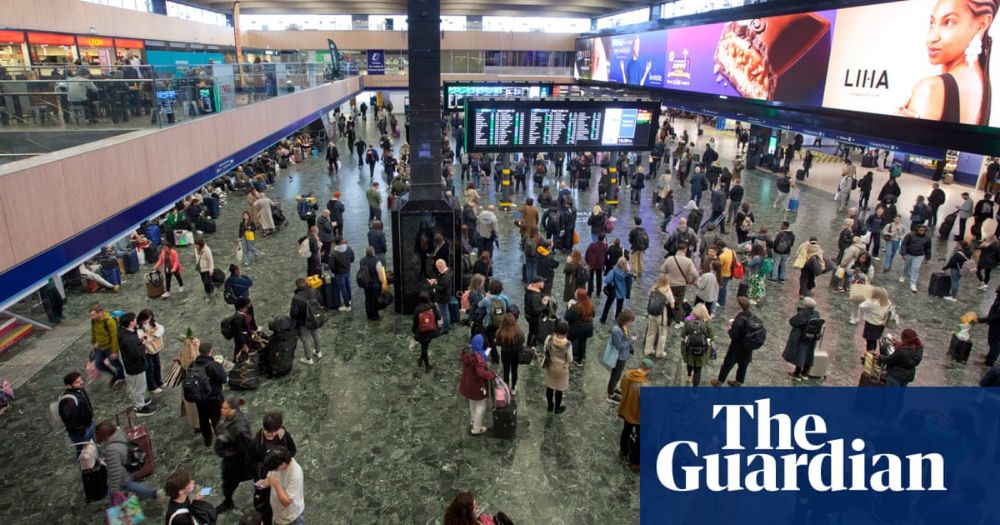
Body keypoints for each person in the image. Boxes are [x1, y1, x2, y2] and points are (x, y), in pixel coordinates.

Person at [898, 0, 997, 125]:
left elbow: (905, 145)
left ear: (981, 25)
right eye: (932, 23)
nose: (932, 38)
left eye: (948, 22)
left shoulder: (931, 89)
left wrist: (893, 133)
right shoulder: (980, 81)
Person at [95, 420, 163, 503]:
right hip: (127, 468)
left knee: (119, 496)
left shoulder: (111, 450)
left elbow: (115, 471)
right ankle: (153, 493)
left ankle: (124, 513)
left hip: (121, 474)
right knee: (130, 485)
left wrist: (113, 490)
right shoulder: (119, 434)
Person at [214, 396, 253, 514]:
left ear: (233, 409)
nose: (222, 410)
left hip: (236, 463)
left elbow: (246, 449)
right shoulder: (227, 417)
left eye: (225, 408)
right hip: (230, 459)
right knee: (227, 483)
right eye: (222, 407)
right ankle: (228, 501)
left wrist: (229, 454)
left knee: (229, 483)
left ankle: (228, 503)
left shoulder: (240, 429)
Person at [117, 312, 156, 416]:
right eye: (134, 319)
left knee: (137, 386)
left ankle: (141, 401)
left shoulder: (122, 332)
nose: (136, 321)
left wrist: (139, 342)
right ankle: (140, 408)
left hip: (129, 365)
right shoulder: (129, 339)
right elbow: (136, 354)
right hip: (135, 367)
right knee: (139, 387)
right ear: (131, 323)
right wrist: (143, 344)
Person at [712, 297, 757, 387]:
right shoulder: (752, 316)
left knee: (727, 364)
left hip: (736, 347)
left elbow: (734, 335)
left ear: (740, 306)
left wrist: (730, 329)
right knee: (743, 365)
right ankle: (739, 382)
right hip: (748, 347)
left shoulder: (739, 319)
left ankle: (719, 381)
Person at [617, 358, 651, 472]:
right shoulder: (644, 384)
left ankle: (623, 450)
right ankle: (636, 462)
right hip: (637, 415)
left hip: (626, 409)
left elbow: (622, 388)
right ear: (647, 370)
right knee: (640, 438)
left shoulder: (627, 375)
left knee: (626, 430)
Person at [459, 334, 496, 435]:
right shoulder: (478, 359)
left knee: (472, 403)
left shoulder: (467, 354)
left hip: (468, 384)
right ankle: (476, 428)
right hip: (477, 386)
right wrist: (493, 375)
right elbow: (481, 373)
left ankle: (473, 420)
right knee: (480, 406)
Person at [258, 447, 304, 525]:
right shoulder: (275, 463)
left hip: (291, 518)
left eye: (275, 469)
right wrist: (263, 483)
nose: (274, 471)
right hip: (277, 514)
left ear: (283, 464)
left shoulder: (295, 475)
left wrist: (277, 485)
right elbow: (270, 479)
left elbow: (286, 502)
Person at [782, 298, 822, 380]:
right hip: (812, 338)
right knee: (809, 354)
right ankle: (805, 373)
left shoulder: (803, 314)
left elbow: (792, 322)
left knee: (800, 355)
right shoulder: (816, 314)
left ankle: (797, 374)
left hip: (801, 337)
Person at [58, 372, 95, 456]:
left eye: (80, 380)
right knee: (83, 453)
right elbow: (70, 420)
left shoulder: (80, 389)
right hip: (81, 432)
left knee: (93, 447)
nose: (81, 382)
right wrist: (82, 430)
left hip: (89, 424)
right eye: (77, 382)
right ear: (69, 386)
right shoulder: (68, 401)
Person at [606, 309, 636, 404]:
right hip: (618, 357)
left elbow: (625, 339)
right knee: (615, 375)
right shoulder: (616, 330)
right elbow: (619, 346)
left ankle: (613, 388)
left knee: (617, 375)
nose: (631, 324)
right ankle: (611, 394)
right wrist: (630, 341)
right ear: (625, 320)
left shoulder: (624, 327)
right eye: (630, 321)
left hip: (623, 356)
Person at [290, 278, 322, 366]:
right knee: (316, 335)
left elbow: (293, 313)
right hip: (315, 319)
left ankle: (309, 358)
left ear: (297, 286)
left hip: (303, 322)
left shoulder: (296, 298)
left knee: (306, 339)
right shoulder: (314, 291)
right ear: (306, 283)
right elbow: (320, 301)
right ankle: (318, 352)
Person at [542, 321, 572, 414]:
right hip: (561, 370)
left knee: (550, 387)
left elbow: (544, 349)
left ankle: (550, 405)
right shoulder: (568, 344)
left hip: (550, 366)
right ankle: (557, 408)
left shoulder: (549, 339)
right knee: (559, 390)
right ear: (566, 333)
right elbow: (570, 359)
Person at [681, 303, 714, 387]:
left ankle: (689, 376)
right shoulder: (707, 322)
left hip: (690, 349)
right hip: (702, 351)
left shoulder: (688, 320)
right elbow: (712, 337)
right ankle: (695, 392)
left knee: (690, 362)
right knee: (698, 370)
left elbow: (683, 334)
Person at [853, 287, 895, 352]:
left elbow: (861, 306)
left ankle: (870, 355)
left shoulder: (872, 302)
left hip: (871, 325)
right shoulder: (888, 302)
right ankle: (873, 352)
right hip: (881, 324)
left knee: (869, 341)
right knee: (874, 340)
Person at [644, 274, 676, 358]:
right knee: (662, 334)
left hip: (651, 313)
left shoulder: (653, 288)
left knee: (650, 332)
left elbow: (649, 298)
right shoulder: (667, 290)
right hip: (661, 316)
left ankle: (648, 350)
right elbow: (672, 305)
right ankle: (659, 353)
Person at [494, 313, 525, 395]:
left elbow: (498, 343)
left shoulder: (500, 332)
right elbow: (522, 341)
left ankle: (506, 387)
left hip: (505, 355)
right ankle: (513, 388)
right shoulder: (519, 331)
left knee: (506, 371)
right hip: (516, 355)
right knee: (514, 371)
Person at [136, 309, 164, 394]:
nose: (148, 320)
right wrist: (148, 338)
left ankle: (159, 382)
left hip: (154, 348)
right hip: (146, 351)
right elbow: (141, 339)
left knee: (157, 365)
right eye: (147, 318)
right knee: (150, 369)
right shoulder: (138, 327)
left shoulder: (152, 323)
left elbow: (161, 328)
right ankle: (152, 386)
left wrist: (153, 336)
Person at [411, 293, 441, 372]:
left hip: (421, 331)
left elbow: (415, 321)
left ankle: (427, 365)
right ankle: (422, 361)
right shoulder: (432, 306)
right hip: (431, 330)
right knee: (425, 347)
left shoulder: (418, 309)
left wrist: (413, 331)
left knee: (424, 347)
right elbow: (439, 317)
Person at [564, 289, 595, 365]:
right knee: (583, 342)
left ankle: (568, 357)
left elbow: (567, 317)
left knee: (569, 341)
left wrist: (568, 307)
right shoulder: (590, 305)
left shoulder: (575, 307)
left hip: (577, 329)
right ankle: (580, 359)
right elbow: (593, 315)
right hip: (588, 327)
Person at [358, 246, 388, 321]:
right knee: (374, 300)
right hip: (375, 284)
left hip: (366, 283)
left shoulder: (362, 260)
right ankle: (375, 316)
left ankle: (369, 315)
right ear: (373, 252)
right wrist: (383, 284)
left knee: (368, 299)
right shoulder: (377, 262)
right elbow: (380, 276)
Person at [900, 224, 932, 293]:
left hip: (919, 255)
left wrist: (927, 258)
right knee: (906, 266)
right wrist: (903, 253)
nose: (921, 231)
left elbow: (928, 248)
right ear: (917, 229)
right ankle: (903, 275)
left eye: (923, 230)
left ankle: (913, 284)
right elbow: (904, 244)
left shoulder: (927, 238)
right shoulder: (910, 235)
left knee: (915, 268)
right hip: (909, 254)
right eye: (920, 230)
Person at [329, 237, 354, 312]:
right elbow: (352, 259)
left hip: (339, 274)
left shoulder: (333, 253)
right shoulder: (349, 248)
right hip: (347, 270)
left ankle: (347, 306)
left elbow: (332, 266)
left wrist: (334, 271)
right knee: (348, 285)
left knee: (343, 289)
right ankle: (349, 300)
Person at [600, 257, 629, 324]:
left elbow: (607, 280)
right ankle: (617, 320)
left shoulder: (613, 271)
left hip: (613, 291)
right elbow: (631, 281)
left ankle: (603, 319)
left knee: (608, 305)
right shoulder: (626, 273)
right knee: (619, 307)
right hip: (622, 292)